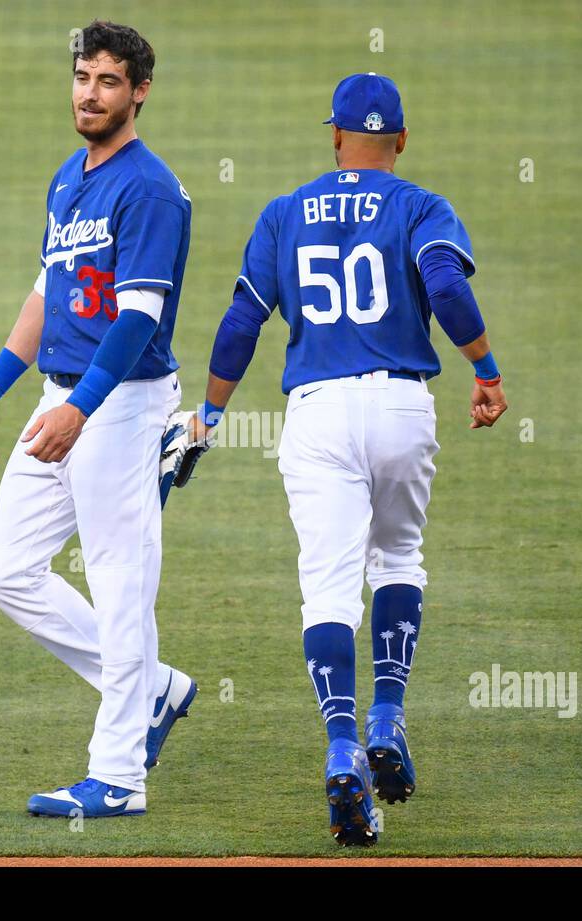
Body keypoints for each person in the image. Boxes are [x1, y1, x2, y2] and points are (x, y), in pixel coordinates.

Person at [179, 73, 508, 845]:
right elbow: (446, 287)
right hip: (401, 407)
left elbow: (241, 320)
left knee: (326, 587)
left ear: (333, 137)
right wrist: (486, 370)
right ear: (400, 139)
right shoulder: (421, 205)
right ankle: (388, 716)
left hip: (317, 415)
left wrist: (212, 413)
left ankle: (341, 748)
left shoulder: (284, 211)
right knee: (396, 558)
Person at [0, 20, 197, 819]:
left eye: (107, 81)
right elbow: (46, 292)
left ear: (139, 92)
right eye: (81, 77)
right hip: (63, 396)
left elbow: (138, 320)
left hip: (120, 405)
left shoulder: (151, 189)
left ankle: (119, 778)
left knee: (121, 586)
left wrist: (79, 407)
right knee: (8, 571)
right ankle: (153, 688)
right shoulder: (69, 178)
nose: (89, 93)